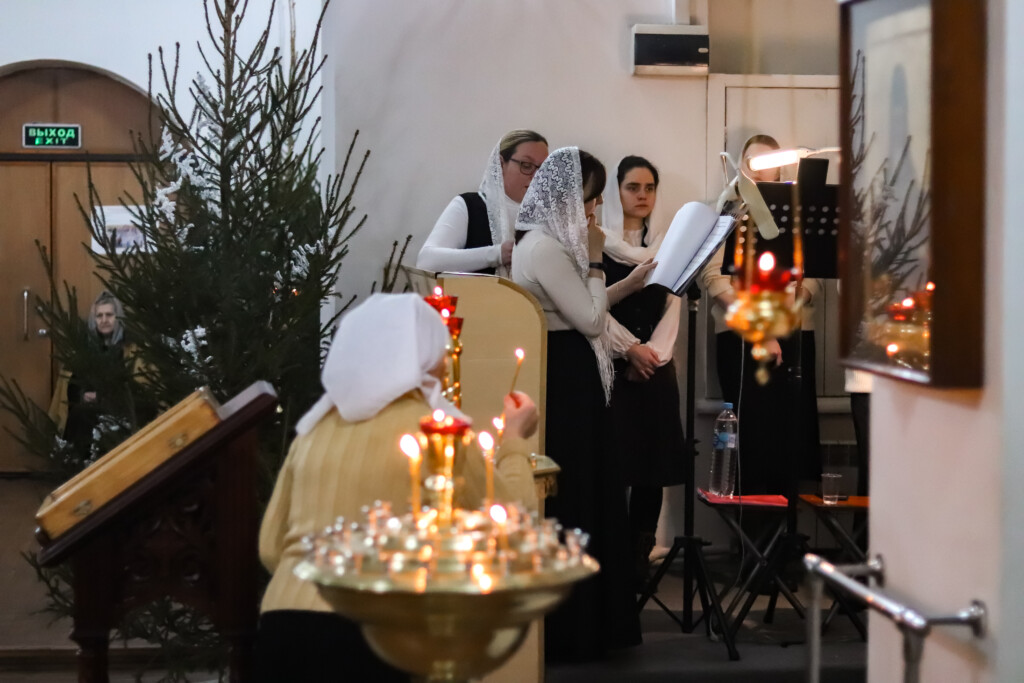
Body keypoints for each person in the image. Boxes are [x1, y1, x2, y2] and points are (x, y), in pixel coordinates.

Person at [256, 293, 540, 683]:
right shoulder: (439, 432)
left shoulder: (313, 432)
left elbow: (270, 546)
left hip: (283, 628)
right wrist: (514, 440)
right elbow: (512, 524)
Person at [511, 147, 651, 662]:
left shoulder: (541, 243)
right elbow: (590, 322)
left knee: (587, 491)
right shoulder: (545, 247)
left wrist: (626, 284)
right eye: (590, 200)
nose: (593, 211)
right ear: (569, 199)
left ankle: (590, 623)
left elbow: (580, 308)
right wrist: (595, 259)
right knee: (580, 496)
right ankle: (579, 628)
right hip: (566, 378)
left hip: (568, 371)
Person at [701, 134, 822, 496]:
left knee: (792, 437)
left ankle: (786, 523)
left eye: (767, 165)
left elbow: (814, 272)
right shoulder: (727, 208)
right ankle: (752, 526)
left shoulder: (795, 209)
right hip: (742, 336)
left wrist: (796, 299)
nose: (758, 172)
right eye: (751, 164)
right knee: (754, 439)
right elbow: (714, 278)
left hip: (794, 332)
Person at [601, 156, 685, 588]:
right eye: (633, 187)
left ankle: (639, 558)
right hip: (614, 369)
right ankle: (612, 558)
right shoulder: (597, 243)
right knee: (614, 466)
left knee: (653, 469)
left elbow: (673, 306)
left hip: (655, 371)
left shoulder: (669, 246)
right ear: (616, 191)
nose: (642, 195)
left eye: (649, 187)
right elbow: (593, 304)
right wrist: (628, 351)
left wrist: (651, 356)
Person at [416, 129, 549, 277]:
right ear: (500, 164)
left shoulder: (549, 219)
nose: (536, 177)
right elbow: (427, 261)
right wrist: (497, 254)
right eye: (527, 165)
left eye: (543, 169)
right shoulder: (470, 206)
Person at [48, 291, 133, 459]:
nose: (104, 320)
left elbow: (135, 386)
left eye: (109, 315)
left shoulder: (129, 350)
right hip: (84, 410)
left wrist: (101, 397)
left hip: (120, 411)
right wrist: (83, 395)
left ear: (118, 317)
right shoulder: (83, 350)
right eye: (99, 315)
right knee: (80, 414)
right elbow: (70, 387)